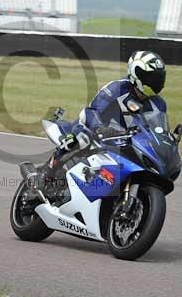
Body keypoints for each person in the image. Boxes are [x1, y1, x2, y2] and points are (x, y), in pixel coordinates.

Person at [28, 50, 167, 195]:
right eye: (151, 77)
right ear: (137, 73)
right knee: (82, 137)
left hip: (126, 144)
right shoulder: (118, 88)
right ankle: (45, 174)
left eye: (158, 78)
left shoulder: (159, 104)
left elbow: (156, 129)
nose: (155, 82)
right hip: (98, 134)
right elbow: (91, 111)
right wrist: (100, 128)